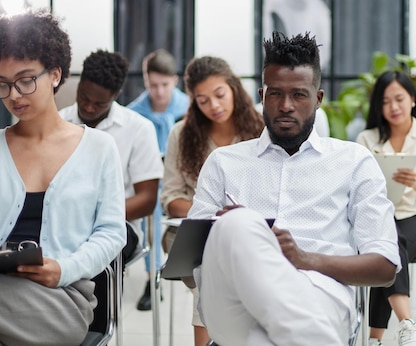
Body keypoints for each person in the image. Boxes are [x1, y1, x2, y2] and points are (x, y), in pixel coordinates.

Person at [187, 31, 401, 346]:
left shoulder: (353, 161)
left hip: (319, 294)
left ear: (318, 98)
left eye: (299, 94)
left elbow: (384, 267)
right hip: (235, 303)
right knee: (238, 222)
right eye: (275, 94)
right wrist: (231, 237)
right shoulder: (223, 162)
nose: (286, 106)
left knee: (264, 340)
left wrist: (303, 259)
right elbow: (186, 270)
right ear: (261, 95)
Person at [0, 10, 126, 345]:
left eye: (25, 80)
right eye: (2, 84)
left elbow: (111, 233)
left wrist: (63, 269)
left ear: (54, 74)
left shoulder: (100, 148)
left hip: (62, 299)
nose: (14, 95)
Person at [160, 55, 264, 346]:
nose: (214, 106)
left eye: (219, 95)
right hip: (189, 232)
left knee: (222, 267)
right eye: (203, 100)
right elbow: (171, 198)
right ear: (193, 101)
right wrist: (212, 212)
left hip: (249, 230)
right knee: (208, 266)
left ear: (234, 88)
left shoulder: (259, 131)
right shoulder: (182, 134)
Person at [356, 71, 416, 346]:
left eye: (399, 99)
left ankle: (385, 334)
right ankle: (401, 329)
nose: (393, 107)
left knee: (388, 244)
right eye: (386, 101)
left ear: (412, 99)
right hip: (378, 217)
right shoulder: (366, 140)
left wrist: (415, 182)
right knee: (383, 242)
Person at [59, 50, 163, 269]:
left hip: (119, 224)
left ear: (116, 95)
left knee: (95, 251)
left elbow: (147, 199)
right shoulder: (59, 122)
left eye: (99, 104)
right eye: (84, 98)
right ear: (79, 84)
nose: (88, 107)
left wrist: (90, 216)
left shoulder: (138, 128)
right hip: (62, 222)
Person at [128, 49, 190, 310]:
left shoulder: (190, 107)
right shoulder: (134, 113)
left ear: (174, 81)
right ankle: (151, 279)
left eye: (164, 85)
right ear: (145, 81)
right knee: (149, 225)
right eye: (153, 85)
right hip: (150, 181)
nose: (159, 91)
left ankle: (190, 274)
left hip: (182, 181)